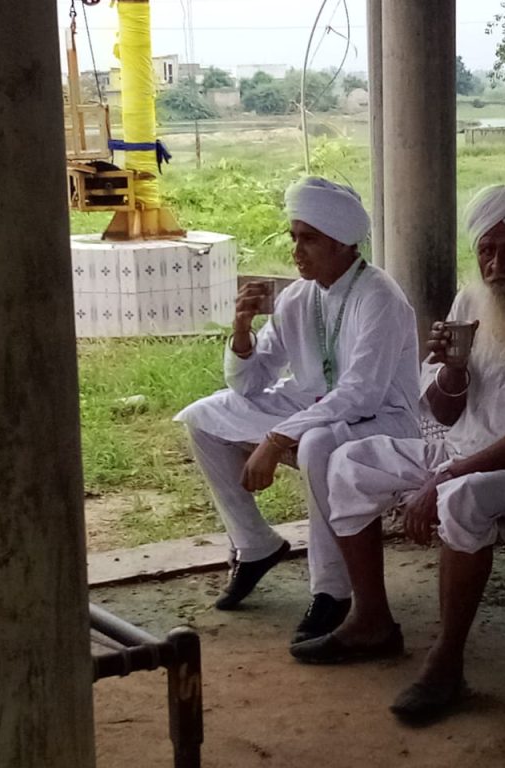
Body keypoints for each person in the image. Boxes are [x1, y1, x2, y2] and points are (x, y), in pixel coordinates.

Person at [290, 184, 505, 725]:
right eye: (487, 250)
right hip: (466, 452)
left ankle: (447, 662)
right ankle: (371, 621)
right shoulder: (471, 303)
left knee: (464, 495)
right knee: (349, 463)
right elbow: (445, 414)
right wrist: (452, 370)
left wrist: (443, 477)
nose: (497, 264)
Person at [174, 176, 421, 644]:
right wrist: (242, 333)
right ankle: (255, 545)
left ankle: (332, 590)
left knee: (316, 444)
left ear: (341, 241)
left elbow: (362, 393)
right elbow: (249, 383)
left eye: (308, 239)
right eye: (294, 237)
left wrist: (276, 438)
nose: (296, 251)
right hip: (313, 406)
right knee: (205, 417)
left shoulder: (380, 297)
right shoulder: (299, 297)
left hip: (383, 420)